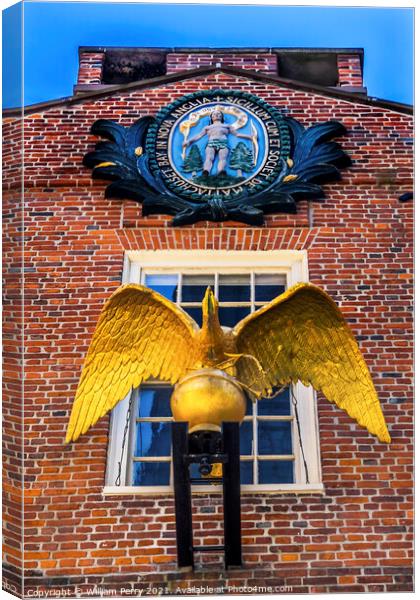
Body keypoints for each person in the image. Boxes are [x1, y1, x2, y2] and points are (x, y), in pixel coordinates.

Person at [183, 109, 254, 176]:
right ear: (211, 117)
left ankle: (221, 171)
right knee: (209, 158)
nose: (216, 115)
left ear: (221, 116)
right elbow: (199, 136)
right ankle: (206, 171)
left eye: (218, 114)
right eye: (214, 114)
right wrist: (189, 141)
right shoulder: (207, 127)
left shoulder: (227, 126)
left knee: (222, 158)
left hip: (223, 143)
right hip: (211, 143)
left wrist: (249, 137)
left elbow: (237, 134)